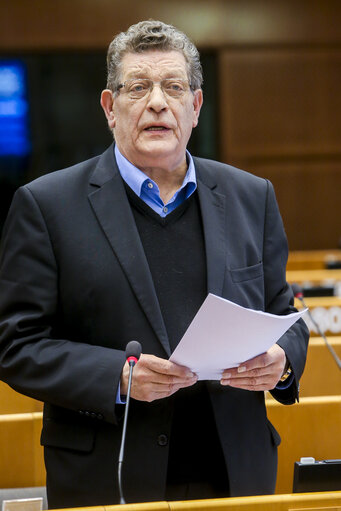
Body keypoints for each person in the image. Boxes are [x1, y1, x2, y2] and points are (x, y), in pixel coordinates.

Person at [0, 20, 309, 509]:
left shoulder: (252, 196)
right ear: (110, 107)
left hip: (235, 474)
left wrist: (283, 360)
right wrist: (117, 376)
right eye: (138, 88)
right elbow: (16, 345)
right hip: (108, 476)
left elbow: (283, 311)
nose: (158, 102)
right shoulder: (46, 205)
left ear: (196, 106)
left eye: (174, 87)